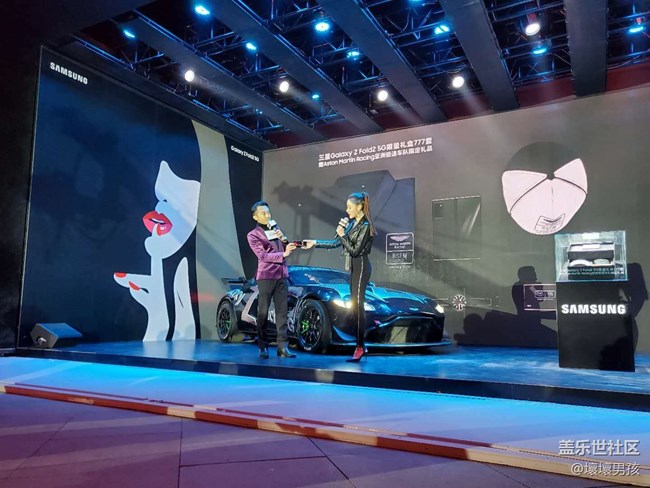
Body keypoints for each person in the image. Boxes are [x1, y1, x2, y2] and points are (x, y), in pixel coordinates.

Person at [303, 192, 375, 362]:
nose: (347, 210)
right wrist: (315, 243)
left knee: (358, 307)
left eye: (350, 207)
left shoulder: (365, 226)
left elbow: (355, 250)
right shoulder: (352, 224)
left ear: (359, 207)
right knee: (354, 307)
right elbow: (336, 243)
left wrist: (342, 234)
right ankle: (361, 344)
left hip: (362, 266)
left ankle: (360, 347)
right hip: (354, 267)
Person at [247, 201, 297, 359]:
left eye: (268, 212)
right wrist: (283, 254)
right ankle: (263, 346)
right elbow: (262, 256)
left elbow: (284, 247)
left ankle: (283, 347)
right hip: (266, 276)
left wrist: (285, 241)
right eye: (263, 213)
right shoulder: (253, 235)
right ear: (255, 217)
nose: (267, 215)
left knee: (282, 312)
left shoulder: (276, 229)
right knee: (263, 312)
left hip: (282, 275)